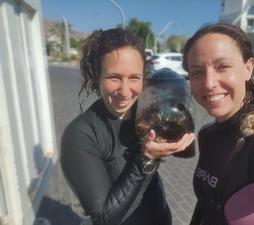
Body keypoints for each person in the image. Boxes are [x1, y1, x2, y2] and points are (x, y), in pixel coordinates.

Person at [60, 28, 194, 225]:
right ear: (97, 76)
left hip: (161, 217)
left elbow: (185, 147)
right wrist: (147, 158)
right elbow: (104, 217)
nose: (124, 92)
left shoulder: (144, 111)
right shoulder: (81, 135)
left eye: (134, 77)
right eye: (113, 77)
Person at [182, 23, 254, 225]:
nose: (209, 83)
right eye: (197, 72)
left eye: (223, 66)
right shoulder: (207, 135)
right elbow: (205, 205)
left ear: (248, 68)